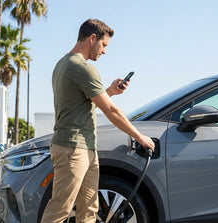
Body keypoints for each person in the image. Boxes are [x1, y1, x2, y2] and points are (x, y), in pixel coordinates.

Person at [41, 18, 155, 223]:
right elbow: (111, 111)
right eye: (103, 45)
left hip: (83, 148)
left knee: (89, 209)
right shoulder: (82, 67)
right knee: (60, 209)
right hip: (72, 148)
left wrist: (109, 91)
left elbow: (81, 106)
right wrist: (139, 137)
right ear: (92, 38)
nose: (104, 51)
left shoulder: (63, 64)